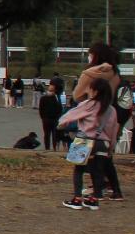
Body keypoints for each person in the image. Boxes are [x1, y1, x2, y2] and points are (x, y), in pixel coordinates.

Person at [58, 75, 121, 211]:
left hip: (84, 140)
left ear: (96, 91)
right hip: (103, 143)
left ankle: (77, 199)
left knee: (78, 170)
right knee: (97, 171)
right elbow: (113, 131)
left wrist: (61, 125)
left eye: (90, 89)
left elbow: (69, 116)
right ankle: (94, 199)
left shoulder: (88, 104)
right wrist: (111, 148)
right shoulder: (111, 110)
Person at [38, 76, 65, 151]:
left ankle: (50, 148)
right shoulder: (54, 97)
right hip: (50, 119)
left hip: (49, 119)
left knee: (51, 135)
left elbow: (41, 109)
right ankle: (51, 148)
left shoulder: (56, 97)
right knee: (50, 134)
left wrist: (43, 117)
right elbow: (41, 109)